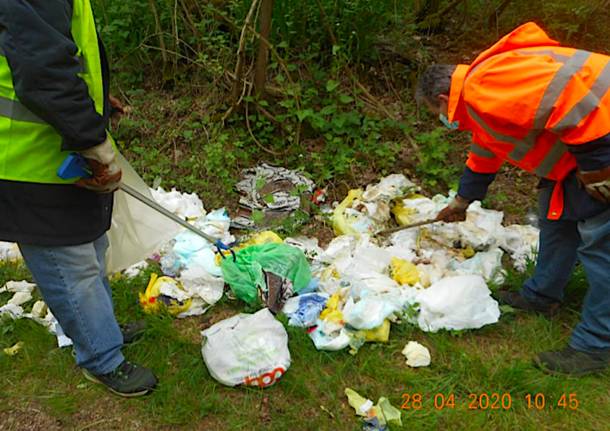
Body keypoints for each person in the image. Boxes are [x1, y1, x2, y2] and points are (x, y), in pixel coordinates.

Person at [417, 22, 610, 376]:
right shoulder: (481, 99)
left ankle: (595, 347)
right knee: (556, 219)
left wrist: (598, 167)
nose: (444, 121)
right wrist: (462, 201)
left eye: (438, 115)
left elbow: (571, 95)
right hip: (584, 150)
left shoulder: (485, 84)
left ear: (444, 100)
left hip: (601, 139)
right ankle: (542, 295)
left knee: (602, 246)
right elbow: (486, 150)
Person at [0, 0, 157, 395]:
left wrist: (96, 110)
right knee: (71, 267)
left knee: (91, 248)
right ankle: (102, 359)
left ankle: (102, 329)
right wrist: (91, 136)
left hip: (56, 148)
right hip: (26, 161)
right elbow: (43, 73)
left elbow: (66, 54)